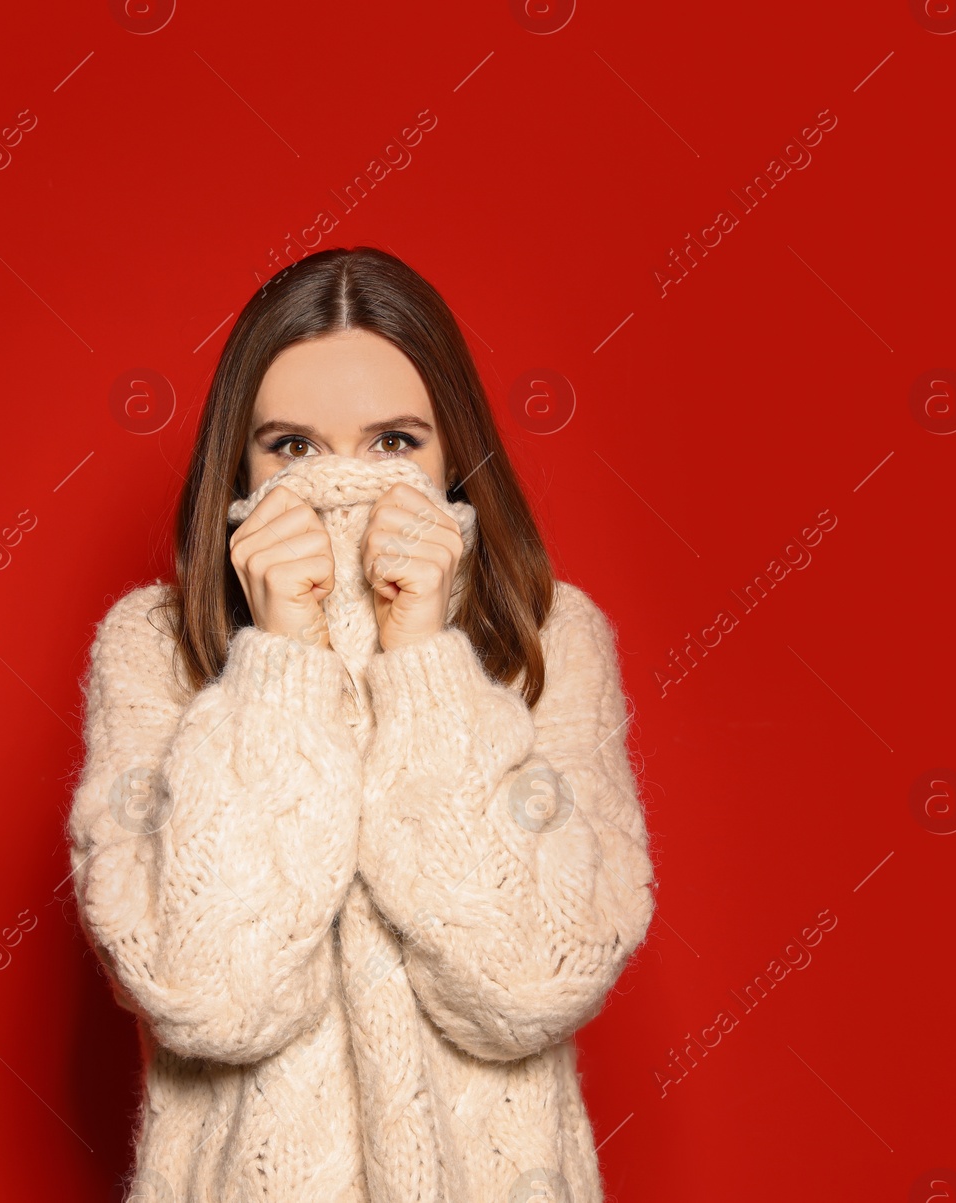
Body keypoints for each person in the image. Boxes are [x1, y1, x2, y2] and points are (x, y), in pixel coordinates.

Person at [66, 246, 656, 1203]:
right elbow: (208, 992)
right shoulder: (155, 652)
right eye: (292, 447)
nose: (345, 484)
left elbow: (530, 983)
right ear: (240, 463)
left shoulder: (548, 644)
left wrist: (422, 659)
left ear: (454, 456)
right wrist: (286, 659)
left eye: (394, 443)